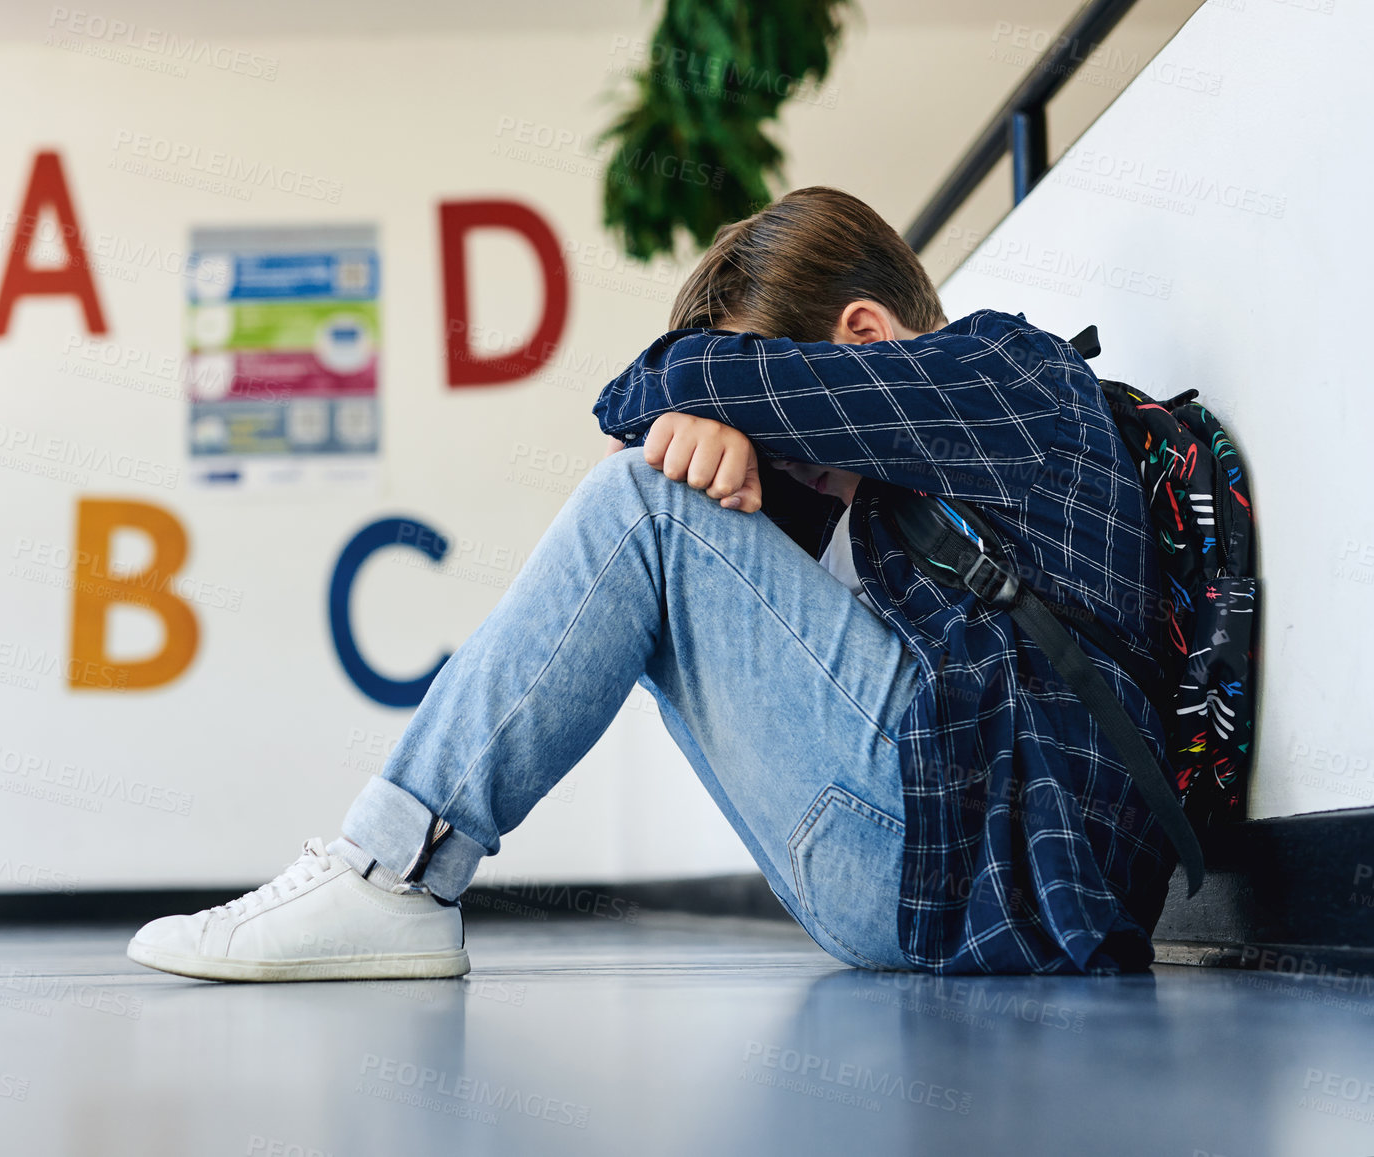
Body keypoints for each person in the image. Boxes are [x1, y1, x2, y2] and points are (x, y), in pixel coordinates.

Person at [128, 187, 1177, 980]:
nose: (798, 480)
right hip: (950, 872)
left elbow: (651, 384)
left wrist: (695, 406)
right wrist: (722, 448)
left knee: (641, 495)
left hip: (1001, 861)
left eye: (796, 436)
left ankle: (390, 873)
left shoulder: (1007, 370)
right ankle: (391, 867)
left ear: (861, 336)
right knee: (666, 495)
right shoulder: (896, 500)